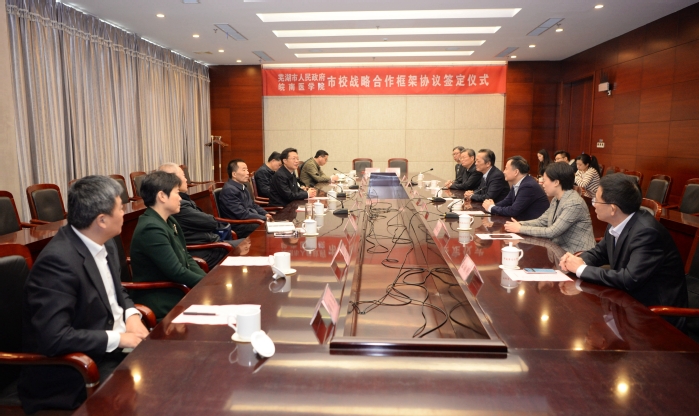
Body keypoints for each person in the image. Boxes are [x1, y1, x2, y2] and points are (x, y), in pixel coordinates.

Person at [19, 176, 148, 413]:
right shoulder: (57, 262)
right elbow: (54, 338)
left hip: (111, 354)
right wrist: (120, 339)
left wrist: (131, 315)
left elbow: (116, 290)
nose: (124, 213)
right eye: (120, 208)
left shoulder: (104, 242)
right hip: (77, 373)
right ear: (101, 220)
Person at [559, 173, 688, 329]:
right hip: (627, 303)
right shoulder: (617, 221)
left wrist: (581, 269)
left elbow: (629, 279)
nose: (593, 204)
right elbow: (600, 252)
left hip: (655, 314)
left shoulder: (647, 232)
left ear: (613, 208)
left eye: (596, 200)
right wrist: (578, 261)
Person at [130, 171, 206, 320]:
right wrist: (208, 284)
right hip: (161, 298)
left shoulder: (169, 220)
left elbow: (186, 257)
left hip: (177, 289)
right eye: (176, 192)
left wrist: (207, 280)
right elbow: (177, 272)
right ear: (162, 196)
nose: (180, 198)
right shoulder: (151, 228)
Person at [159, 163, 242, 270]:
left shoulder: (182, 201)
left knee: (247, 243)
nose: (186, 180)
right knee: (248, 245)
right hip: (205, 250)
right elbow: (210, 222)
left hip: (210, 244)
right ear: (173, 180)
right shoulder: (180, 206)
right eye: (183, 176)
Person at [504, 162, 595, 253]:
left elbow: (552, 231)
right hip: (559, 251)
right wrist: (520, 224)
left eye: (545, 180)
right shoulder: (556, 199)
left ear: (556, 182)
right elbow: (542, 221)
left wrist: (520, 229)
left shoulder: (574, 203)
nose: (543, 184)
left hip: (578, 254)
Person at [482, 156, 549, 221]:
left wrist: (492, 208)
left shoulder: (528, 186)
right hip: (521, 222)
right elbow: (506, 201)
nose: (504, 172)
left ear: (516, 172)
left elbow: (513, 210)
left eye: (506, 169)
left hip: (533, 225)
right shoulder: (518, 183)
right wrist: (491, 205)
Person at [219, 159, 272, 238]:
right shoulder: (229, 190)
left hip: (248, 221)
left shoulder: (242, 186)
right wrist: (264, 218)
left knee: (270, 225)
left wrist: (265, 213)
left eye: (247, 170)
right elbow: (242, 214)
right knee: (266, 227)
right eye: (244, 170)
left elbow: (253, 205)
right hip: (239, 226)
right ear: (234, 174)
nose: (247, 173)